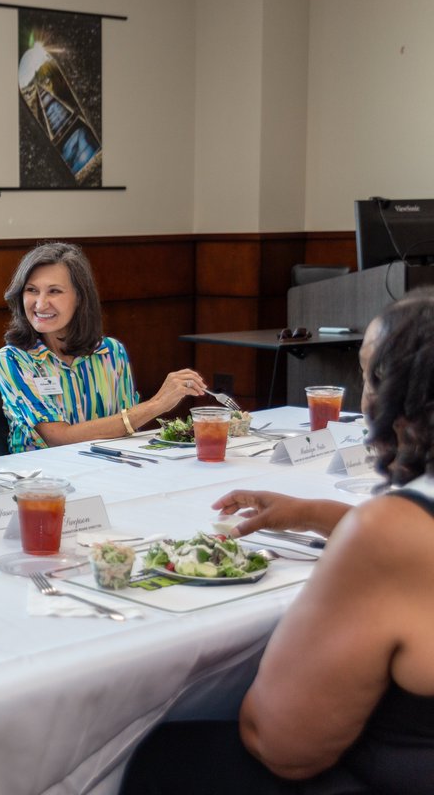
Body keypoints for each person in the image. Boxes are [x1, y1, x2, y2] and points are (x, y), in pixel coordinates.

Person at [121, 288, 434, 794]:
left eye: (370, 375)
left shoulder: (387, 536)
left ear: (403, 400)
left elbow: (284, 748)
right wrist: (315, 514)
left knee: (160, 755)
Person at [0, 243, 207, 452]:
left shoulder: (111, 352)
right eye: (31, 290)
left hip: (106, 468)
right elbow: (58, 438)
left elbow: (128, 430)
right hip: (42, 479)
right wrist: (157, 404)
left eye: (54, 291)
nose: (40, 304)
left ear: (80, 298)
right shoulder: (13, 359)